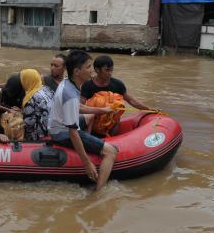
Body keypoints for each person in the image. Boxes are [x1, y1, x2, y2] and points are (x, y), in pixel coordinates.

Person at [48, 50, 118, 191]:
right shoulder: (70, 94)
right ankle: (98, 193)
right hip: (61, 133)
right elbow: (73, 133)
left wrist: (102, 110)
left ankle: (91, 141)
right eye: (88, 67)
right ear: (77, 71)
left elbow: (78, 107)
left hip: (59, 124)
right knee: (111, 152)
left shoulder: (67, 82)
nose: (92, 71)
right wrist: (87, 163)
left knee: (91, 115)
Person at [81, 55, 150, 111]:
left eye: (111, 70)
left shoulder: (117, 84)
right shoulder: (87, 85)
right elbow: (81, 106)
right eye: (107, 70)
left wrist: (149, 109)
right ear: (97, 70)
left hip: (112, 119)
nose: (110, 73)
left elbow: (131, 101)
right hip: (93, 117)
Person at [21, 69, 53, 141]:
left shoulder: (30, 97)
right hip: (53, 128)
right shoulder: (46, 89)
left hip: (40, 134)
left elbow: (29, 122)